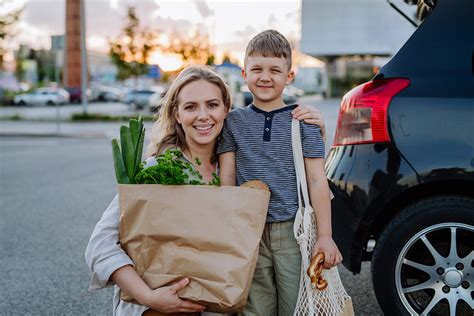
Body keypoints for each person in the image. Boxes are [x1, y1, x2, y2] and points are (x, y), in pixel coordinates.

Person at [85, 66, 327, 315]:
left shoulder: (239, 170)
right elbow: (100, 245)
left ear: (226, 111)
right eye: (190, 107)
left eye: (212, 105)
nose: (203, 116)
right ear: (176, 114)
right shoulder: (156, 169)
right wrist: (149, 297)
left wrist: (312, 132)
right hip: (158, 309)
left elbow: (308, 185)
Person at [217, 30, 342, 316]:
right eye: (257, 69)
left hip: (293, 230)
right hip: (250, 230)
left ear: (289, 76)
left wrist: (325, 235)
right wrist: (228, 226)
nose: (265, 77)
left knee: (296, 304)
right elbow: (227, 177)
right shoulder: (233, 122)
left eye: (275, 70)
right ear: (244, 73)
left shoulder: (304, 121)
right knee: (254, 307)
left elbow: (316, 180)